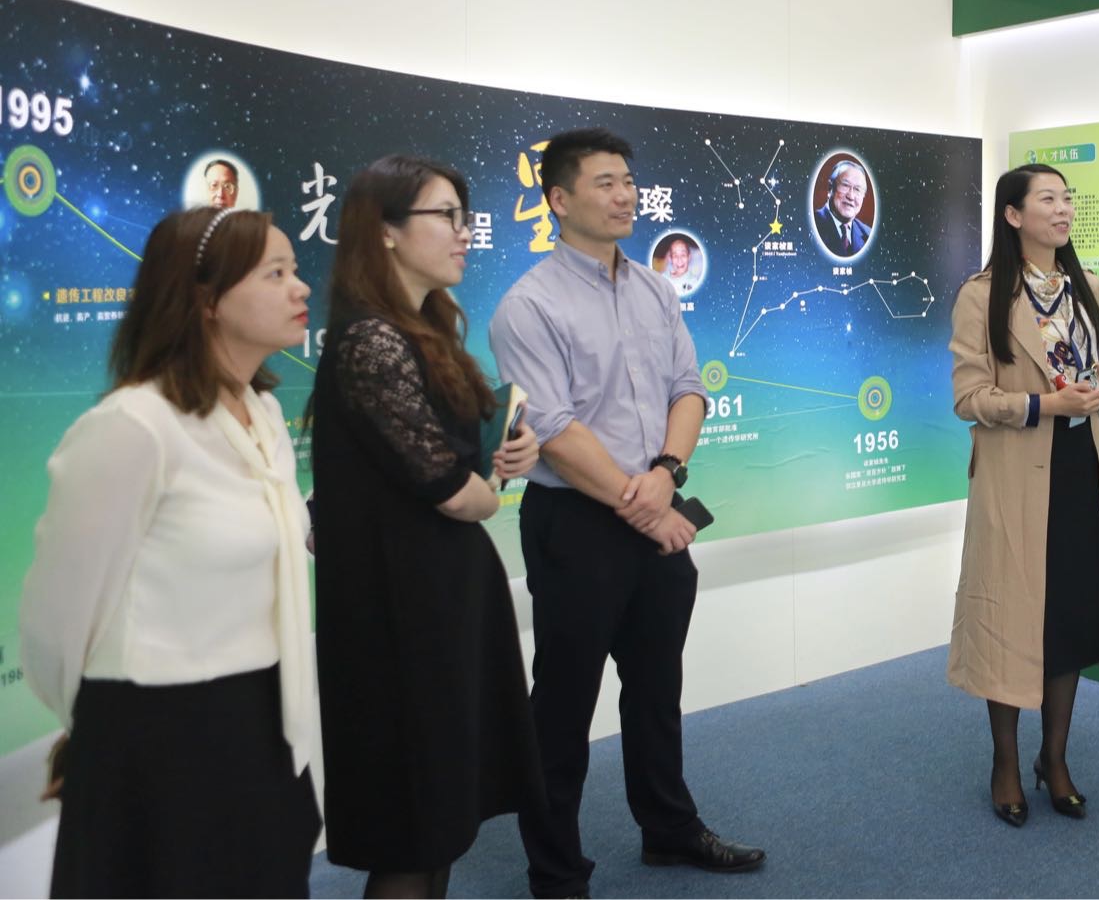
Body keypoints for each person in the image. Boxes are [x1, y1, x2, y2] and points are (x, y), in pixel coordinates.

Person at [489, 127, 765, 899]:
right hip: (576, 524)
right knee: (563, 701)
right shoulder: (527, 305)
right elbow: (553, 429)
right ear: (558, 198)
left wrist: (667, 474)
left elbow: (689, 388)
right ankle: (556, 868)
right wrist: (643, 505)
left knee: (656, 688)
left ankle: (668, 828)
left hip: (658, 501)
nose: (624, 195)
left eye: (628, 182)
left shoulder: (654, 289)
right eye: (604, 183)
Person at [19, 206, 321, 896]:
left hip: (264, 721)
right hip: (157, 737)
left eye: (295, 269)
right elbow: (56, 621)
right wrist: (91, 727)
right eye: (275, 273)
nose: (300, 287)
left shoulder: (263, 415)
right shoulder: (134, 426)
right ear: (205, 299)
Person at [310, 155, 544, 899]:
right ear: (384, 230)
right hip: (399, 618)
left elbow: (470, 455)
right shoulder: (370, 342)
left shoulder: (427, 328)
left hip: (443, 599)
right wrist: (487, 488)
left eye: (463, 216)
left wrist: (510, 450)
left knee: (442, 818)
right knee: (414, 826)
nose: (463, 232)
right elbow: (453, 490)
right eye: (445, 216)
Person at [947, 163, 1099, 828]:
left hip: (1081, 469)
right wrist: (1044, 404)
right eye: (1048, 199)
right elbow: (969, 397)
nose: (1063, 209)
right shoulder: (983, 295)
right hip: (1016, 474)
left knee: (1071, 616)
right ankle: (1005, 762)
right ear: (1013, 214)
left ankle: (1054, 758)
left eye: (1067, 198)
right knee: (1010, 616)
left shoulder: (1087, 287)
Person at [814, 158, 872, 257]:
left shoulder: (868, 234)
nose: (851, 196)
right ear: (830, 188)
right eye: (845, 185)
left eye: (857, 190)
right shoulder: (811, 225)